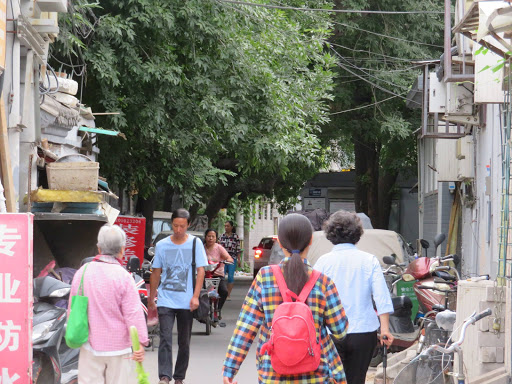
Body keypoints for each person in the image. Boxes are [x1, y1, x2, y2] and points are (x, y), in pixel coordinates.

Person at [222, 213, 349, 384]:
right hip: (316, 374)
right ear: (310, 241)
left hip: (272, 375)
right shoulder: (323, 282)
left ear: (280, 243)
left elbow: (246, 328)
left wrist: (230, 370)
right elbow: (340, 330)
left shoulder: (265, 277)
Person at [314, 210, 394, 384]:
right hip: (363, 331)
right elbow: (381, 296)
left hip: (330, 332)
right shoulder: (369, 260)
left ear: (330, 234)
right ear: (357, 234)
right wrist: (385, 329)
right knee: (357, 379)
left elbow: (315, 300)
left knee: (332, 379)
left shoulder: (322, 262)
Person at [68, 224, 147, 384]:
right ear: (122, 250)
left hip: (89, 344)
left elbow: (72, 309)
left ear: (99, 248)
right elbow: (133, 314)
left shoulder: (83, 272)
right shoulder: (124, 277)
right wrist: (140, 343)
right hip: (119, 348)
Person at [148, 208, 208, 384]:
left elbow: (201, 271)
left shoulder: (196, 243)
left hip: (186, 301)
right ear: (171, 224)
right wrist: (152, 297)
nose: (178, 229)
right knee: (165, 337)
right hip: (166, 298)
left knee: (184, 342)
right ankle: (164, 376)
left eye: (182, 226)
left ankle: (179, 377)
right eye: (175, 225)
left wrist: (196, 296)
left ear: (188, 225)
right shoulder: (162, 245)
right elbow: (156, 272)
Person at [203, 228, 233, 323]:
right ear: (205, 237)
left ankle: (218, 309)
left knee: (224, 291)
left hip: (218, 275)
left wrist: (227, 260)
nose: (210, 238)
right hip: (204, 275)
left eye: (213, 236)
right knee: (201, 294)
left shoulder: (219, 248)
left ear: (216, 238)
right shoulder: (201, 248)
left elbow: (229, 258)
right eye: (209, 236)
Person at [219, 220, 241, 299]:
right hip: (223, 259)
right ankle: (222, 293)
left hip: (232, 259)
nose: (226, 227)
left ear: (232, 227)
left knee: (230, 277)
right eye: (225, 226)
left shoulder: (235, 237)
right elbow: (219, 248)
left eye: (228, 226)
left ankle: (228, 294)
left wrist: (239, 259)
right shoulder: (222, 236)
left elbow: (238, 249)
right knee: (222, 276)